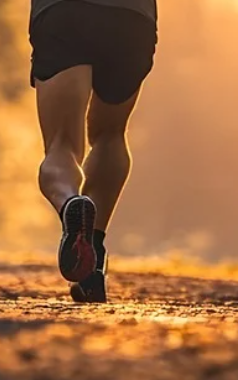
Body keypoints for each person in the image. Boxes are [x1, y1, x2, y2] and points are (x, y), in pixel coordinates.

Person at [29, 0, 158, 303]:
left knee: (61, 146)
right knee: (110, 134)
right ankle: (93, 257)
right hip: (131, 16)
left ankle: (70, 203)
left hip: (64, 11)